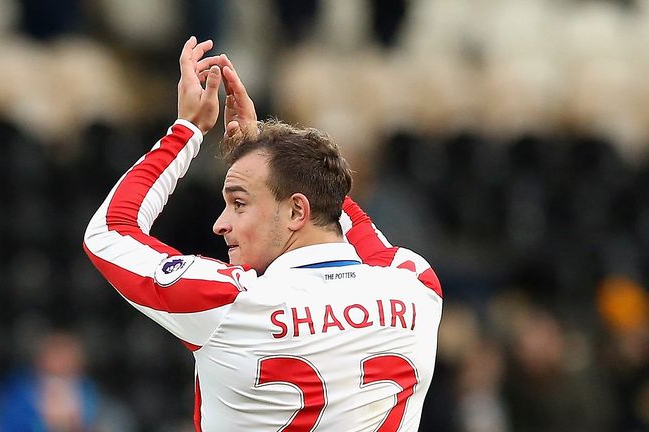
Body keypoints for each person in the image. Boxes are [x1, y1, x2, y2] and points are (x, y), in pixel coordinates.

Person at [83, 36, 443, 431]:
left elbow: (110, 232)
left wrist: (186, 131)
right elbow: (339, 213)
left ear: (295, 211)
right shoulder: (414, 284)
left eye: (238, 203)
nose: (220, 224)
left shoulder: (232, 303)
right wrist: (269, 153)